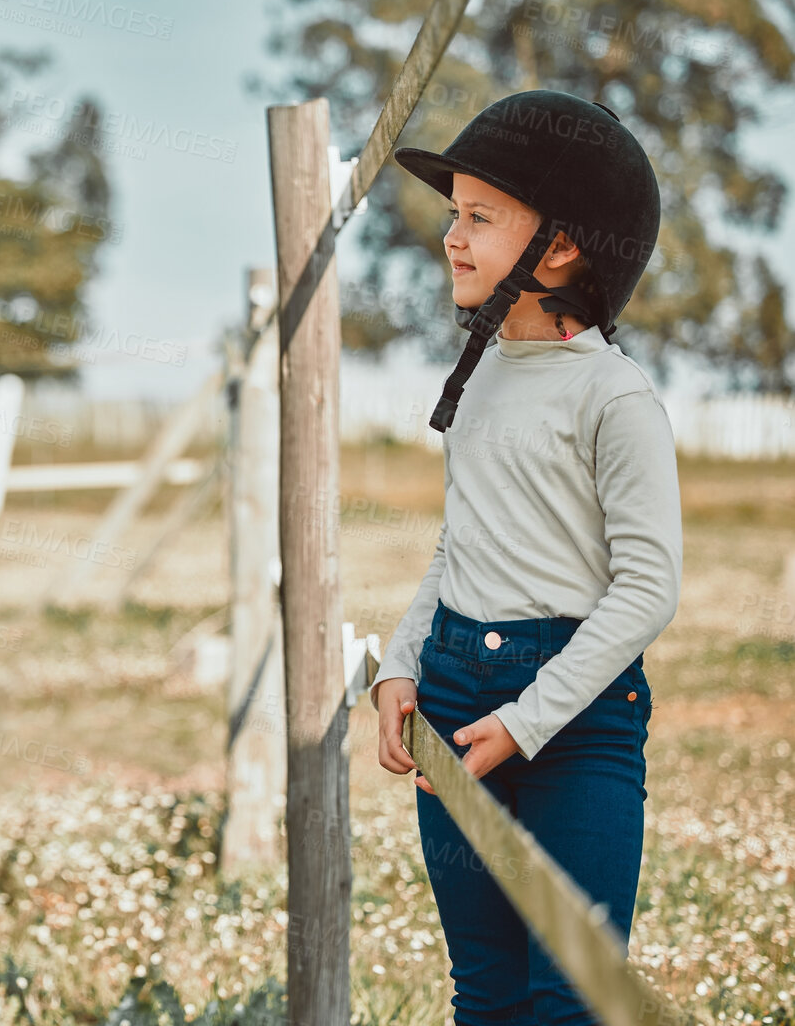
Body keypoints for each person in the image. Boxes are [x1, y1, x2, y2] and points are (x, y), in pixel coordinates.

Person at [369, 89, 683, 1025]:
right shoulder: (481, 374)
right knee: (488, 989)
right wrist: (398, 664)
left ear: (558, 248)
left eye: (478, 217)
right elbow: (462, 541)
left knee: (573, 994)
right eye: (452, 214)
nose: (450, 237)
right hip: (458, 690)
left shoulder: (615, 398)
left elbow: (647, 589)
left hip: (576, 718)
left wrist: (530, 720)